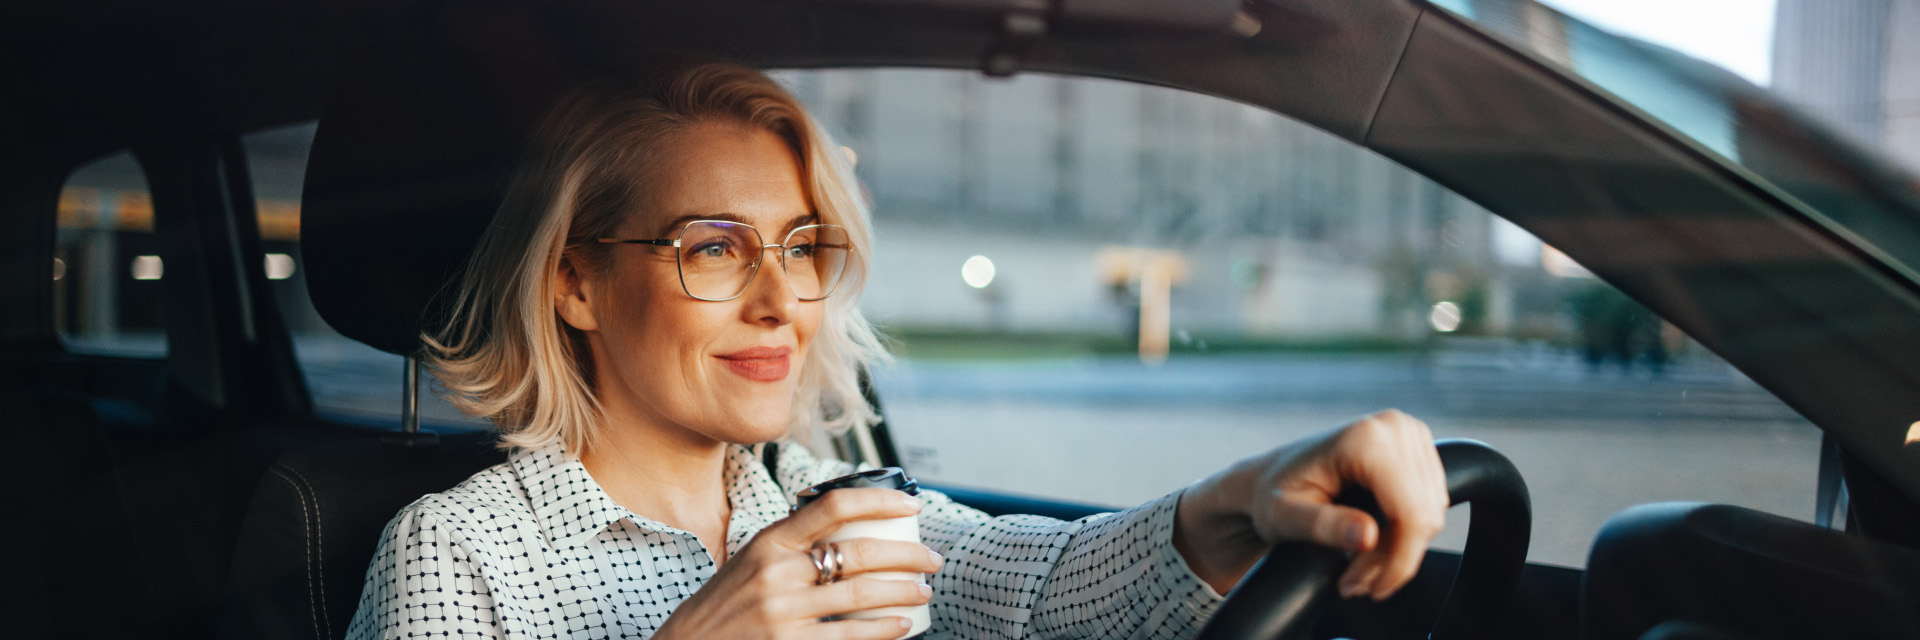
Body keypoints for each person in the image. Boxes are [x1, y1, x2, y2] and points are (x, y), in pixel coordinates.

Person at [344, 58, 1450, 640]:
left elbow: (1044, 592)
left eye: (802, 247)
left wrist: (1245, 495)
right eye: (715, 248)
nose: (784, 300)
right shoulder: (461, 552)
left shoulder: (823, 501)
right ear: (575, 282)